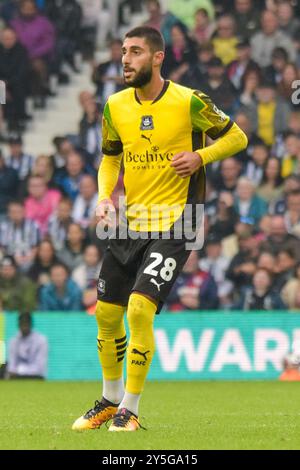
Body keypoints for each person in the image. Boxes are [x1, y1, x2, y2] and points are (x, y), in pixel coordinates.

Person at [72, 26, 247, 432]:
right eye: (123, 52)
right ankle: (108, 399)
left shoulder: (189, 101)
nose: (125, 59)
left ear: (157, 57)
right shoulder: (114, 106)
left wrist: (201, 156)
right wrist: (103, 197)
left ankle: (129, 410)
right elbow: (110, 159)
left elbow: (237, 136)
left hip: (179, 220)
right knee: (106, 313)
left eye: (135, 52)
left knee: (138, 308)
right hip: (131, 220)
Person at [7, 312, 48, 379]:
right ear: (18, 325)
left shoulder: (41, 340)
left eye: (26, 324)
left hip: (36, 377)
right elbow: (12, 365)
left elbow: (40, 367)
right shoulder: (13, 341)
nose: (24, 327)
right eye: (22, 324)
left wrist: (21, 370)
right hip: (17, 377)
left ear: (31, 325)